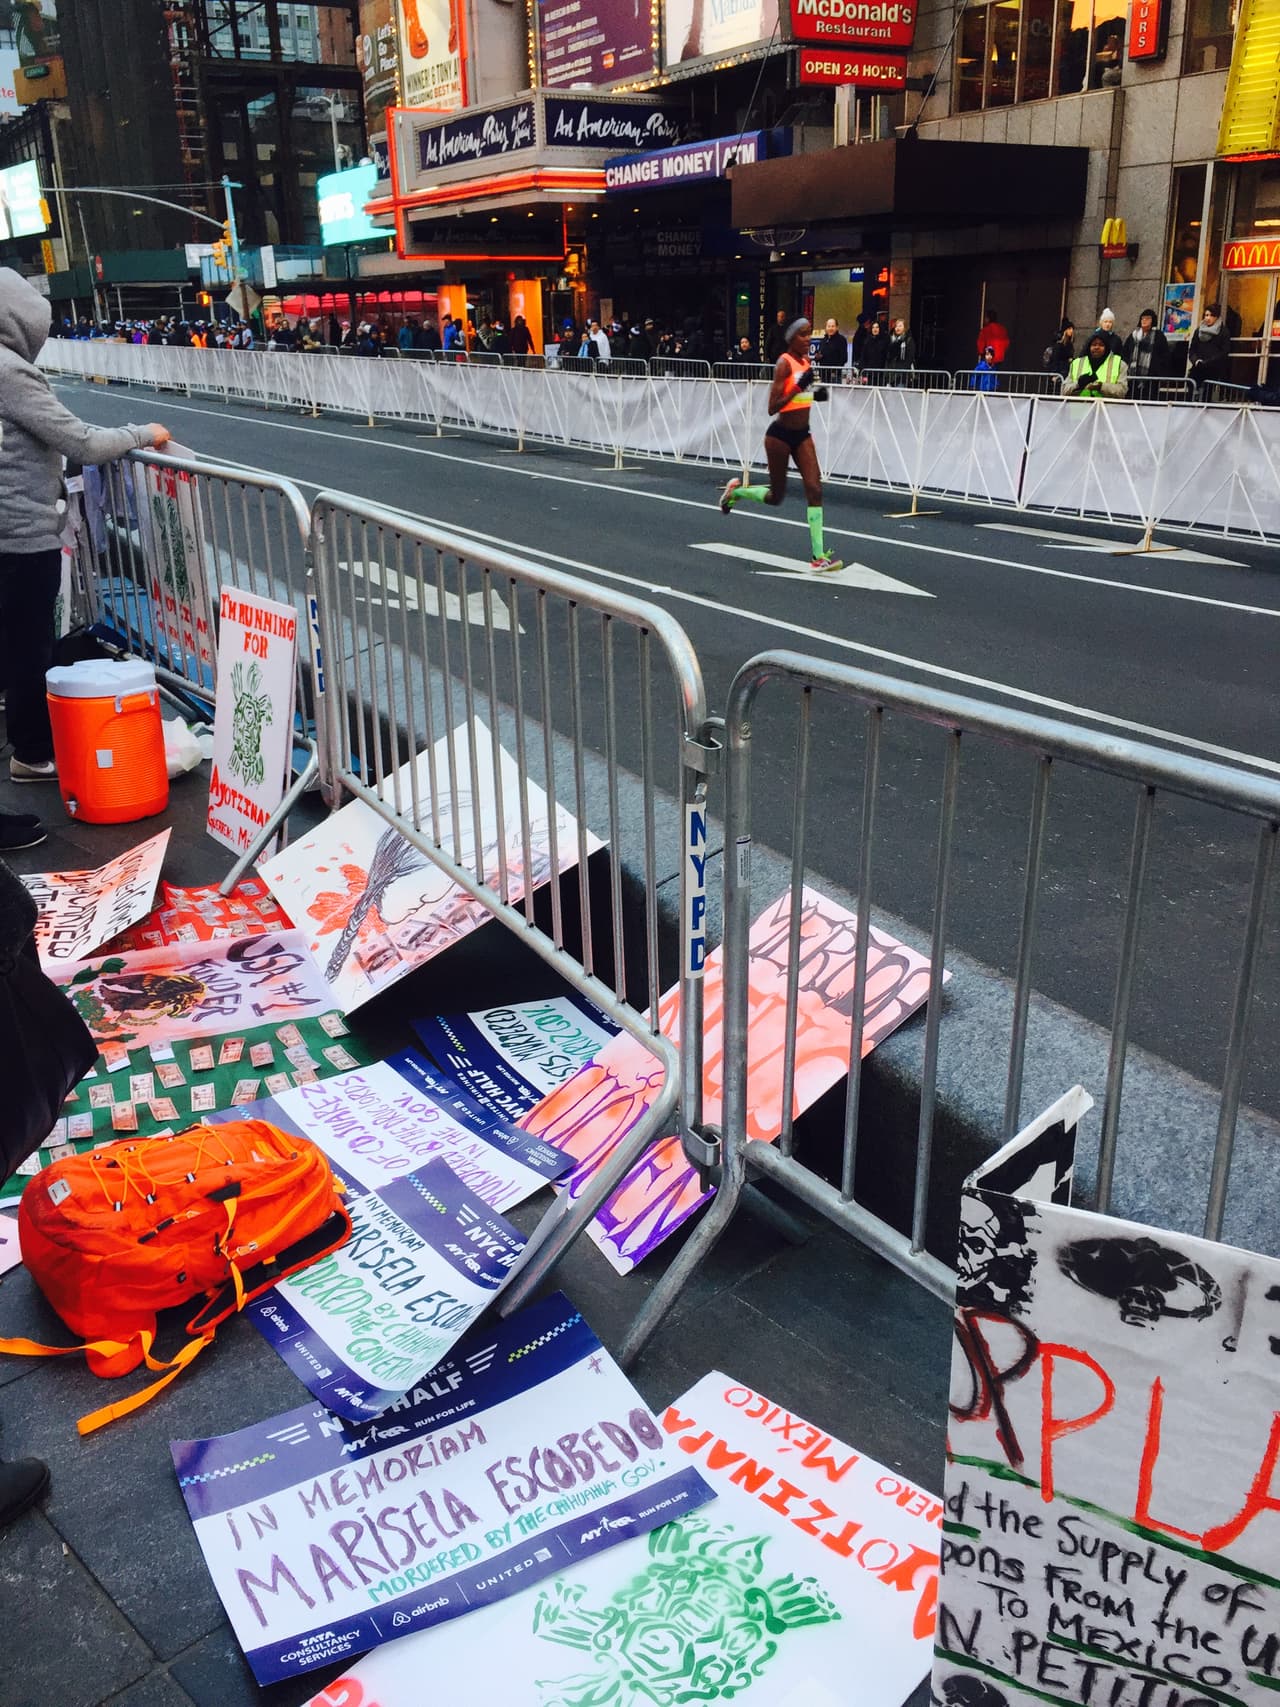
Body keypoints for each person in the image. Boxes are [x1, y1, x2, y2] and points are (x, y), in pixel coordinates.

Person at [0, 269, 170, 794]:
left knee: (13, 642)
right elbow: (83, 443)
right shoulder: (10, 372)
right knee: (28, 647)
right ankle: (32, 753)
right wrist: (143, 432)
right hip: (19, 533)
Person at [717, 317, 843, 574]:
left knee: (815, 489)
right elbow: (773, 406)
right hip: (780, 436)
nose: (807, 339)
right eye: (803, 335)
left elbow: (800, 396)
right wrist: (798, 387)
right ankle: (736, 493)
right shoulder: (783, 363)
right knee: (776, 497)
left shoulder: (806, 363)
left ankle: (818, 556)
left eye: (809, 334)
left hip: (802, 435)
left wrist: (815, 395)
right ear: (791, 339)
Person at [1062, 330, 1128, 398]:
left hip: (1106, 404)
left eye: (1101, 345)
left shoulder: (1119, 364)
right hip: (1080, 404)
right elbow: (1064, 390)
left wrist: (1101, 386)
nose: (1097, 347)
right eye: (1093, 344)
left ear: (1107, 347)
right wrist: (1078, 384)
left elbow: (1122, 391)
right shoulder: (1076, 363)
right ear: (1089, 347)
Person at [1187, 302, 1230, 391]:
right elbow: (1192, 349)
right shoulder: (1199, 331)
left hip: (1213, 369)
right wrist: (1196, 361)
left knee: (1207, 392)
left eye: (1211, 315)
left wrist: (1208, 362)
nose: (1208, 318)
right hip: (1198, 368)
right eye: (1206, 315)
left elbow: (1224, 351)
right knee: (1191, 387)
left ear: (1216, 317)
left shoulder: (1223, 332)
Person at [1122, 308, 1169, 381]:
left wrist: (1157, 370)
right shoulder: (1134, 335)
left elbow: (1164, 355)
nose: (1144, 320)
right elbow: (1125, 352)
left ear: (1152, 320)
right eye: (1142, 318)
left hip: (1151, 377)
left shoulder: (1159, 336)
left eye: (1147, 318)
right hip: (1133, 376)